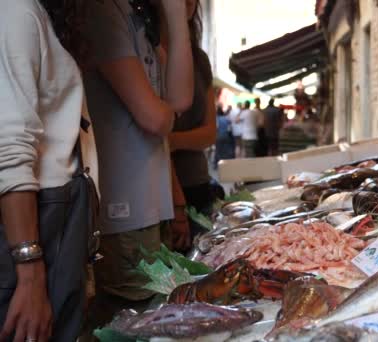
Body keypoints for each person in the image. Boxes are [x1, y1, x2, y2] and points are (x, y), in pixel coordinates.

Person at [82, 0, 193, 328]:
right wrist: (164, 113)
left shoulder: (137, 13)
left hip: (149, 211)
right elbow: (155, 118)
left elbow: (180, 100)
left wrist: (175, 16)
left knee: (157, 320)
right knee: (137, 326)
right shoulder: (102, 11)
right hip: (123, 215)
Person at [0, 0, 98, 341]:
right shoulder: (16, 10)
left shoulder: (35, 11)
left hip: (57, 221)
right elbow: (9, 148)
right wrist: (29, 274)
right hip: (37, 225)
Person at [169, 0, 222, 226]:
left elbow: (210, 133)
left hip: (197, 180)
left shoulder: (199, 59)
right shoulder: (148, 55)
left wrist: (169, 140)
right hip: (163, 192)